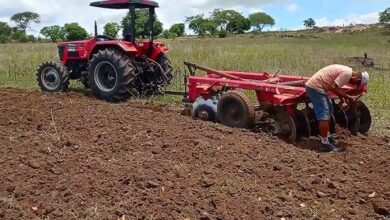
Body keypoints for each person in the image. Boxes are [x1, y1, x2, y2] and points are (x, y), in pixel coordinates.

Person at [305, 64, 369, 152]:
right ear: (357, 79)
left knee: (329, 110)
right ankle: (325, 144)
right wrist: (349, 97)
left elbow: (334, 86)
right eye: (356, 84)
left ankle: (326, 137)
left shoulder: (347, 71)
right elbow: (333, 87)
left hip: (319, 87)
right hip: (316, 88)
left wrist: (343, 99)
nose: (353, 85)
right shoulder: (347, 74)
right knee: (324, 115)